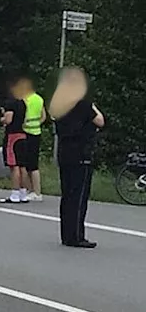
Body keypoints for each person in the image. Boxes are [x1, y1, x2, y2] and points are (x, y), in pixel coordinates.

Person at [50, 67, 104, 248]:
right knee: (79, 196)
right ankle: (76, 236)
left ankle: (66, 234)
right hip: (81, 153)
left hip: (64, 153)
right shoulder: (82, 105)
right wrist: (93, 106)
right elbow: (100, 121)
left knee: (67, 195)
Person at [0, 78, 29, 203]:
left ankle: (15, 193)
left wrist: (2, 118)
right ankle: (23, 192)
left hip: (12, 135)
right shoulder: (22, 102)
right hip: (22, 134)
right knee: (22, 165)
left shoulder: (10, 103)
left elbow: (8, 120)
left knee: (14, 165)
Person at [19, 76, 47, 202]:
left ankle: (34, 191)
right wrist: (37, 124)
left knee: (27, 164)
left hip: (26, 132)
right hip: (37, 131)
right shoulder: (39, 99)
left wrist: (24, 125)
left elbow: (23, 116)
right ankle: (35, 190)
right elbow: (43, 116)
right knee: (33, 163)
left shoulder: (25, 100)